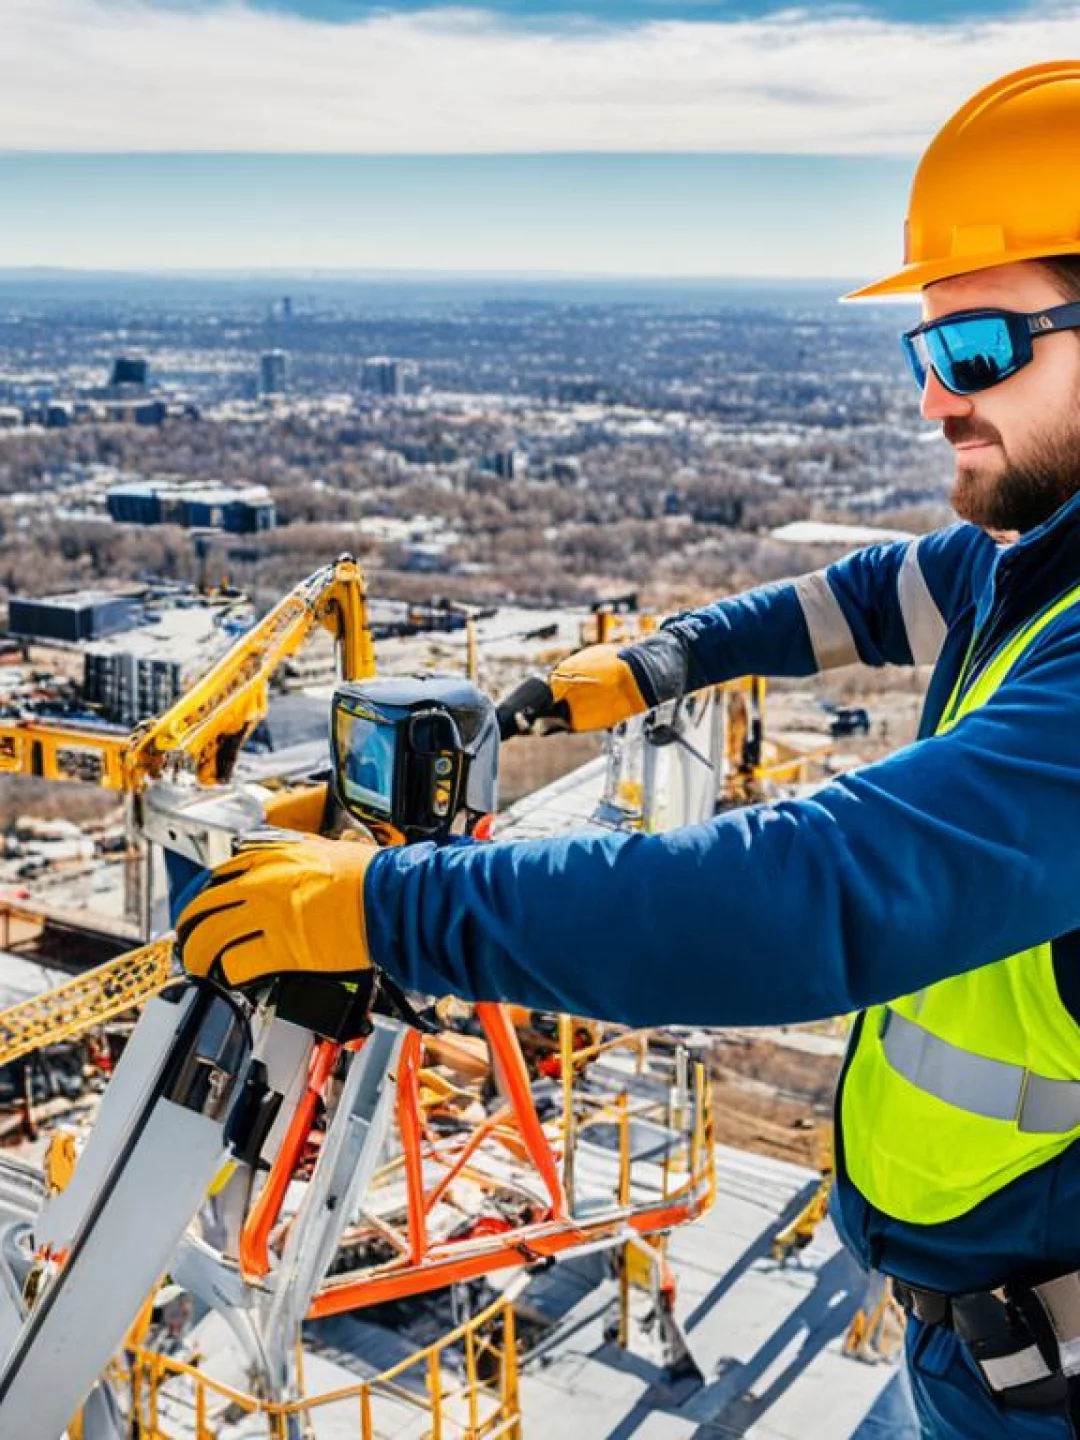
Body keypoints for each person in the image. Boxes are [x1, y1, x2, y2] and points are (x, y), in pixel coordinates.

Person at [179, 63, 1080, 1438]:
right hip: (979, 1337)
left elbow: (809, 893)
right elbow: (869, 592)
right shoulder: (1033, 562)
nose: (932, 402)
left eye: (975, 353)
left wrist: (379, 907)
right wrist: (660, 661)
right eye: (924, 353)